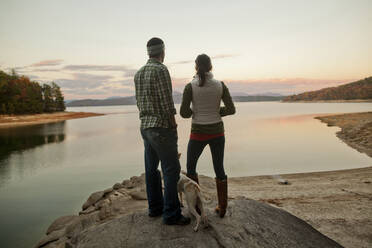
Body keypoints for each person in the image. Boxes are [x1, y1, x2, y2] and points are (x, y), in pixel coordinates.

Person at [134, 37, 190, 225]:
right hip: (161, 127)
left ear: (149, 52)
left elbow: (139, 102)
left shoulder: (139, 73)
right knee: (171, 169)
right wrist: (173, 123)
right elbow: (167, 101)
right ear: (162, 52)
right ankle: (171, 214)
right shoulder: (161, 70)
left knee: (151, 169)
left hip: (145, 126)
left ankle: (155, 208)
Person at [180, 54, 236, 218]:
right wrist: (217, 111)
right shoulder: (220, 85)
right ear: (211, 67)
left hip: (198, 133)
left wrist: (195, 112)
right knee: (219, 168)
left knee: (191, 168)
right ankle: (222, 208)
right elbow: (231, 109)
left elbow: (184, 113)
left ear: (196, 67)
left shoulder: (190, 86)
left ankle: (196, 208)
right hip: (217, 132)